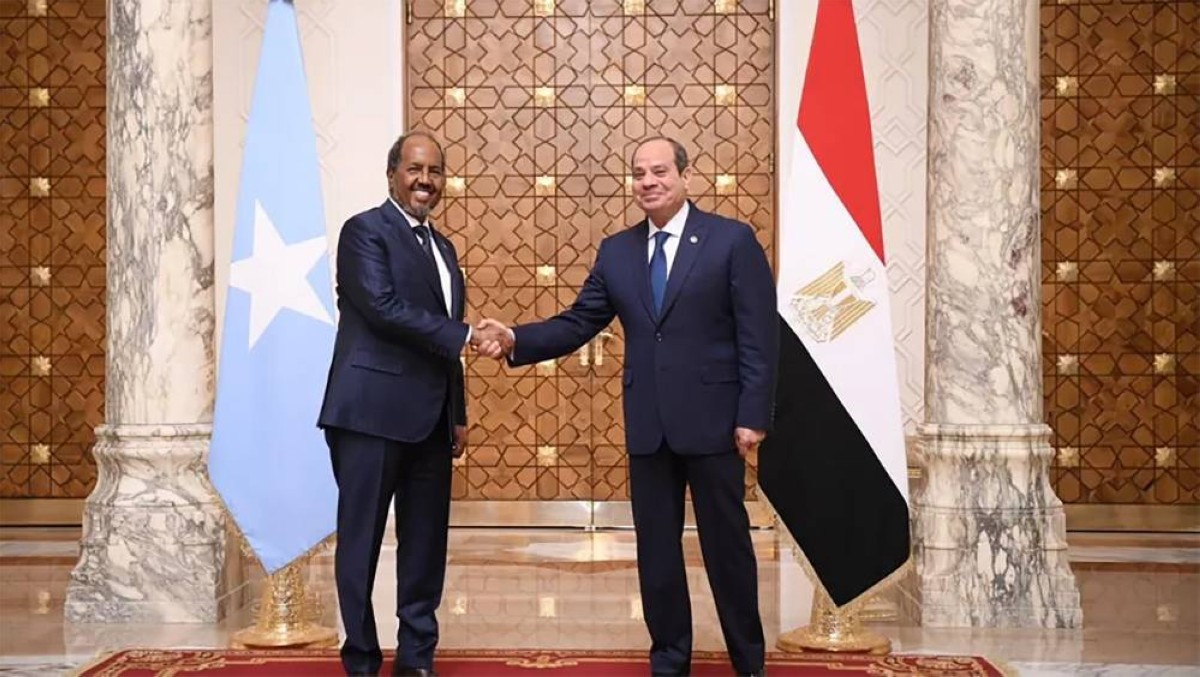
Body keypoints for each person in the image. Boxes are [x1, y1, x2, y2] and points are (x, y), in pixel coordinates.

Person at [477, 137, 777, 677]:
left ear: (686, 176)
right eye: (639, 173)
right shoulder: (617, 251)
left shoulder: (731, 241)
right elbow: (578, 321)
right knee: (656, 550)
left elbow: (758, 335)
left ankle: (748, 661)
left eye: (659, 171)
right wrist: (516, 338)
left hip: (715, 423)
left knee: (727, 547)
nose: (648, 182)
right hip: (648, 425)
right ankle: (669, 659)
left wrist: (753, 414)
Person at [317, 131, 508, 677]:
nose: (426, 180)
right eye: (415, 169)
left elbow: (443, 339)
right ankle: (361, 657)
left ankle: (417, 656)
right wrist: (468, 335)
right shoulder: (364, 232)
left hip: (430, 421)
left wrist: (458, 413)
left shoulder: (444, 249)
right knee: (361, 541)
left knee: (425, 544)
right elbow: (382, 307)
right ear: (392, 174)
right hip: (370, 416)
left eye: (435, 171)